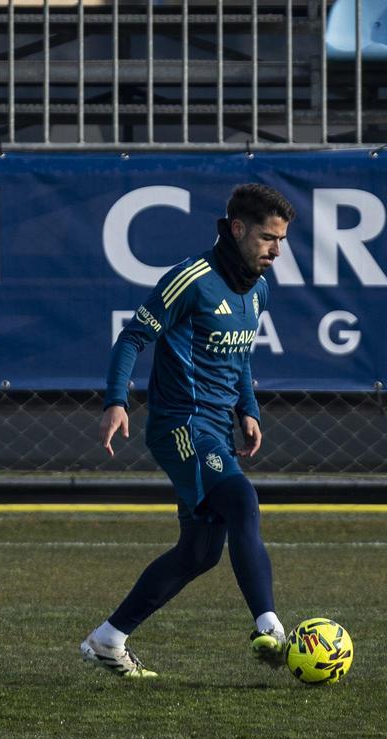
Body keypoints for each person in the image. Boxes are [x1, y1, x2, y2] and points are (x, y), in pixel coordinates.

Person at [80, 183, 296, 678]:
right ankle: (270, 627)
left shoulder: (257, 287)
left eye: (282, 240)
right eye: (267, 238)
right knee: (242, 501)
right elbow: (134, 336)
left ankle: (109, 639)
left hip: (217, 428)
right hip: (180, 425)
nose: (276, 251)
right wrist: (118, 402)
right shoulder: (191, 278)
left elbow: (239, 355)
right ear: (237, 229)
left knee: (198, 554)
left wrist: (248, 409)